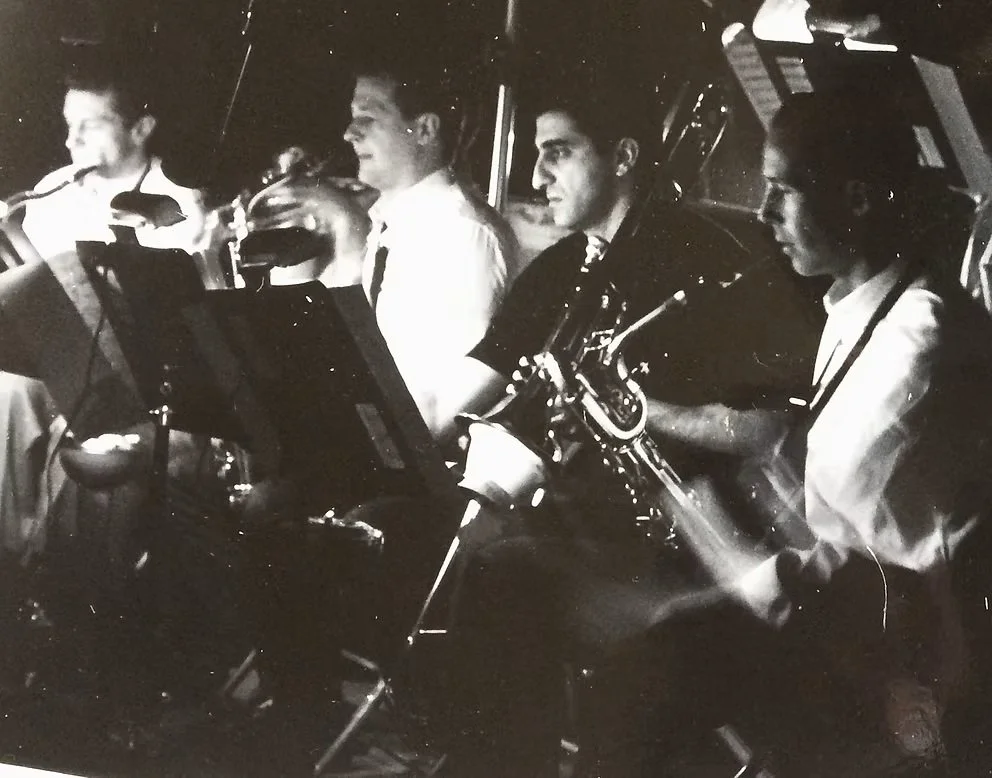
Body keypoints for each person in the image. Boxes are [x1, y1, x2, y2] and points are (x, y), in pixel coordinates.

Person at [635, 89, 992, 775]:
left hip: (926, 688)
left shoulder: (916, 349)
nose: (764, 214)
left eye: (783, 191)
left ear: (857, 199)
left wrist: (707, 533)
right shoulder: (863, 305)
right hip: (882, 637)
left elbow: (847, 581)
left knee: (657, 666)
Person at [285, 50, 520, 430]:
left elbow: (445, 410)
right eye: (351, 117)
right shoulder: (389, 220)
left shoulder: (462, 234)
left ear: (425, 130)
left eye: (369, 117)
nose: (349, 133)